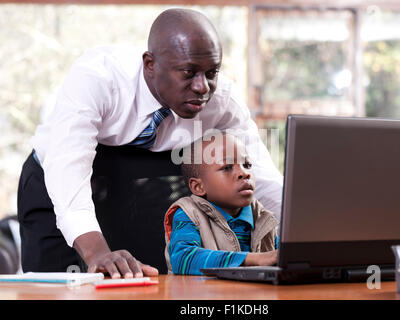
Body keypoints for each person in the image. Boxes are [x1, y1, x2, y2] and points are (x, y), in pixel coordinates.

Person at [17, 8, 283, 279]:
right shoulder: (98, 78)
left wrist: (307, 236)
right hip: (59, 182)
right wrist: (97, 254)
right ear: (150, 64)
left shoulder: (223, 98)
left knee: (148, 281)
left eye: (211, 72)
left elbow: (262, 175)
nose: (202, 87)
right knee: (58, 287)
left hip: (140, 184)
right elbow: (68, 168)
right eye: (188, 72)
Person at [164, 132, 279, 275]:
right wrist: (252, 259)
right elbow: (183, 259)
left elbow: (280, 256)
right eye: (227, 167)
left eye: (247, 165)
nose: (244, 173)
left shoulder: (262, 216)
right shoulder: (188, 213)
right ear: (199, 187)